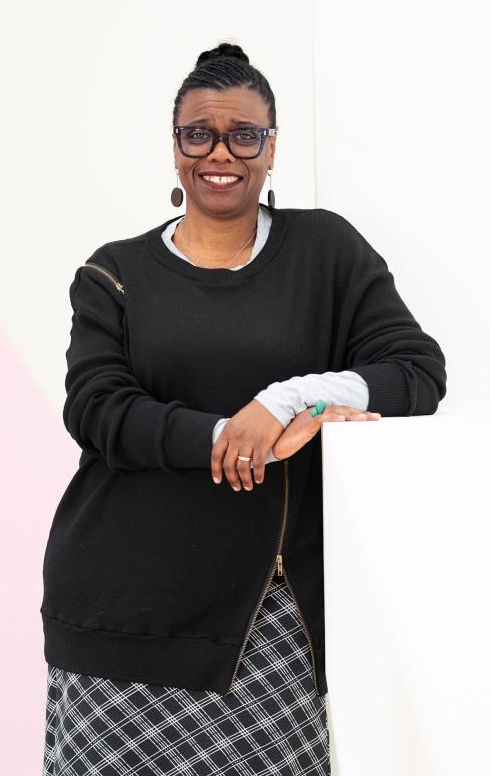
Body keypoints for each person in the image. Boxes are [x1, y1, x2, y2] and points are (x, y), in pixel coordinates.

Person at [40, 42, 447, 775]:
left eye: (244, 134)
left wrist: (291, 400)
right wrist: (228, 436)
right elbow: (98, 409)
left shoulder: (326, 251)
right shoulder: (114, 273)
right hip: (121, 610)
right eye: (198, 133)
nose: (219, 152)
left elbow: (416, 373)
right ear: (175, 148)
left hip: (268, 621)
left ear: (272, 148)